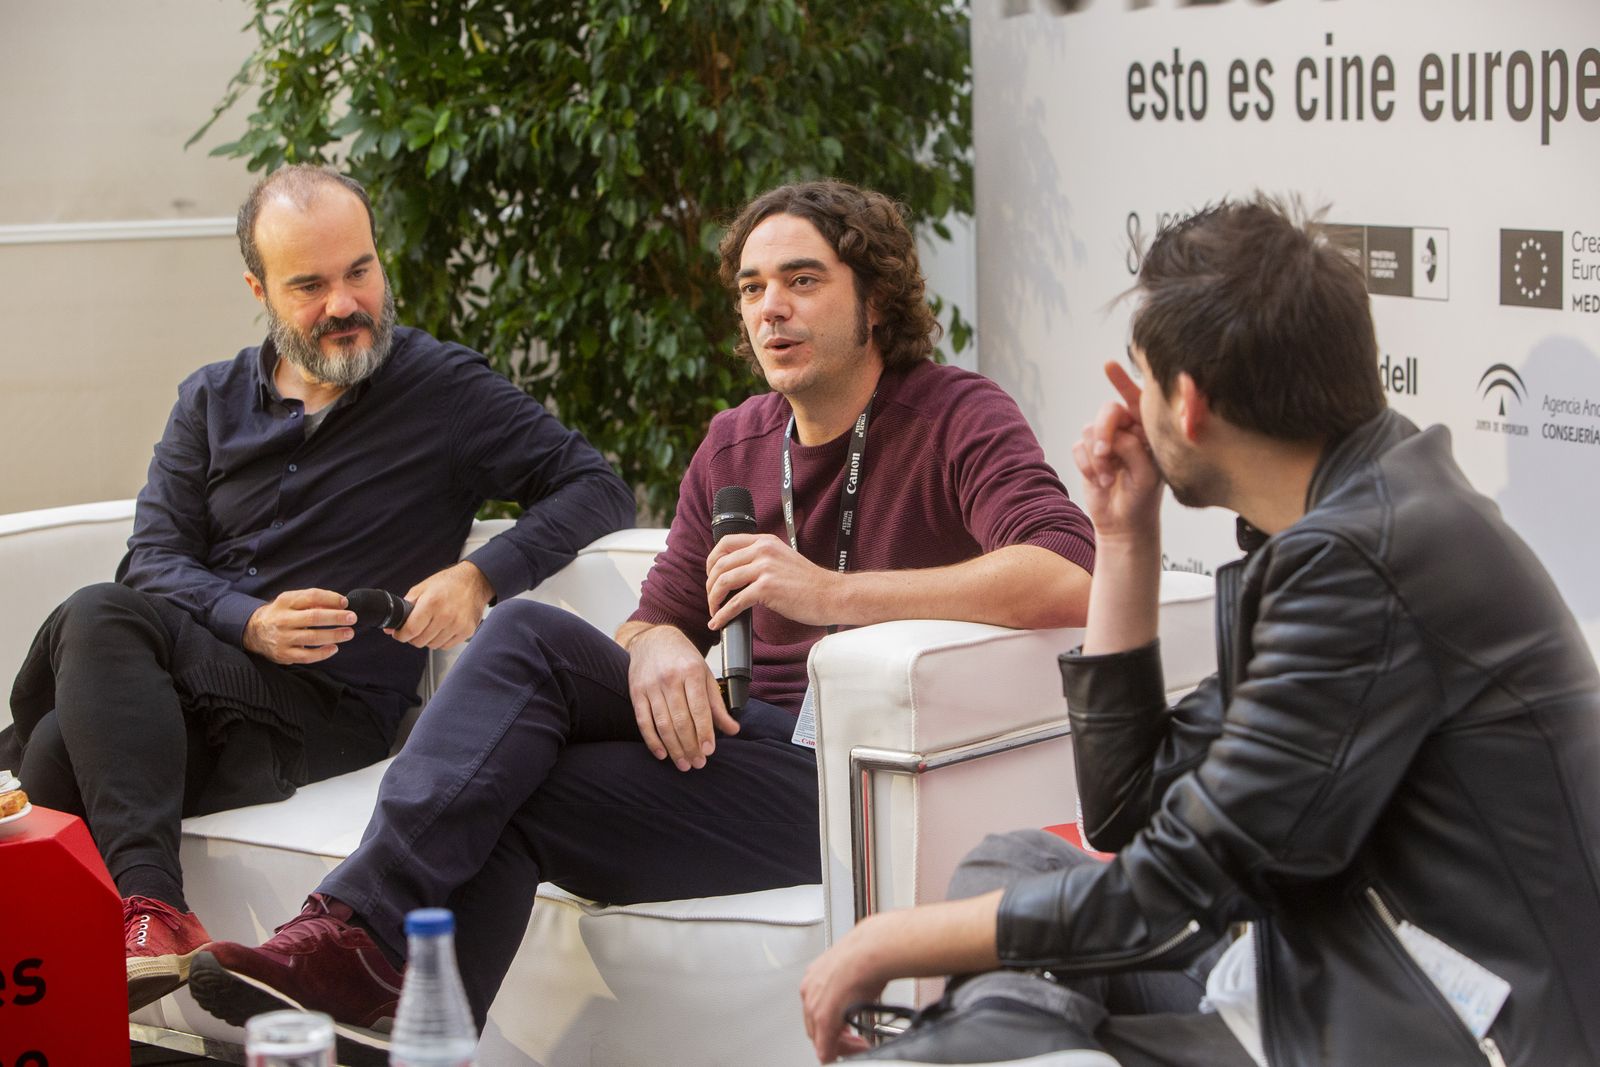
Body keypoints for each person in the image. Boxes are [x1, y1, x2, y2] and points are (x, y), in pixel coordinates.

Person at [188, 179, 1098, 1062]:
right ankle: (406, 1029)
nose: (771, 307)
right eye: (752, 287)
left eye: (803, 280)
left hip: (854, 781)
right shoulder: (735, 439)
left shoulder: (953, 414)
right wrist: (659, 646)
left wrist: (829, 594)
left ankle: (348, 927)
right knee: (501, 789)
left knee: (521, 633)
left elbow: (1066, 571)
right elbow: (651, 619)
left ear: (876, 297)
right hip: (739, 749)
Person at [799, 196, 1600, 1067]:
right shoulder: (1354, 516)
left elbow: (1176, 882)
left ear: (1187, 403)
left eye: (1140, 378)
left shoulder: (1367, 562)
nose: (1127, 407)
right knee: (1018, 860)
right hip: (1317, 965)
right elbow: (1125, 807)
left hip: (1435, 1024)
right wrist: (1125, 538)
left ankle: (993, 1046)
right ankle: (1005, 1044)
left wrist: (889, 941)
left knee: (992, 968)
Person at [5, 164, 635, 1014]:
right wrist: (250, 619)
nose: (344, 303)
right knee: (55, 744)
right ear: (259, 288)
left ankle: (150, 911)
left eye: (359, 271)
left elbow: (594, 484)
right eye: (309, 284)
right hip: (195, 694)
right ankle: (109, 980)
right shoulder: (211, 399)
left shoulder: (443, 390)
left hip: (327, 708)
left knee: (83, 637)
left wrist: (481, 573)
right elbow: (152, 557)